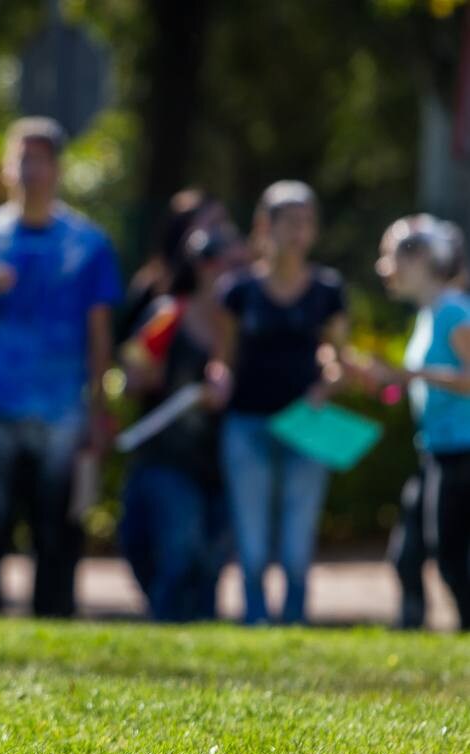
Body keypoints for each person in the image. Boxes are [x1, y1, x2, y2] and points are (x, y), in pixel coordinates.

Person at [0, 117, 120, 617]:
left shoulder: (89, 243)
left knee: (58, 532)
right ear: (6, 167)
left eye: (40, 159)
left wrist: (99, 411)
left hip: (62, 413)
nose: (30, 169)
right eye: (21, 157)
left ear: (58, 169)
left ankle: (54, 620)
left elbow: (99, 333)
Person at [209, 181, 349, 626]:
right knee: (251, 544)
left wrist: (324, 387)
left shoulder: (328, 290)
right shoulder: (237, 291)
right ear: (265, 226)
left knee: (295, 543)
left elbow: (338, 361)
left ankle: (293, 623)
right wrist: (218, 380)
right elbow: (222, 359)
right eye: (290, 222)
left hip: (305, 426)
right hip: (246, 425)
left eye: (307, 222)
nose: (299, 232)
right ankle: (254, 622)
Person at [119, 227, 236, 622]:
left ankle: (201, 633)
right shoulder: (169, 315)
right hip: (168, 459)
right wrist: (147, 373)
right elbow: (132, 372)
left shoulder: (239, 322)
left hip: (224, 462)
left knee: (210, 559)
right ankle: (167, 624)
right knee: (179, 551)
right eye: (211, 260)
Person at [372, 216, 470, 632]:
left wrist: (415, 376)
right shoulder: (431, 314)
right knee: (408, 552)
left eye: (394, 256)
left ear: (425, 258)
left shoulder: (453, 312)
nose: (385, 267)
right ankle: (411, 624)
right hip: (434, 450)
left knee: (450, 556)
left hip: (459, 452)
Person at [118, 189, 239, 343]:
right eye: (215, 223)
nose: (225, 231)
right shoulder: (155, 292)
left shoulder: (235, 285)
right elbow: (133, 352)